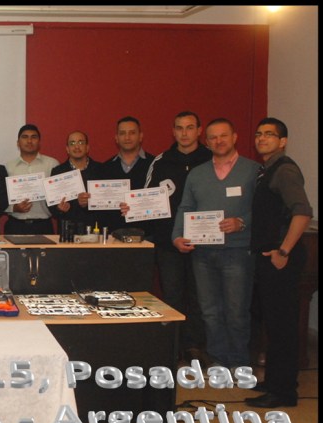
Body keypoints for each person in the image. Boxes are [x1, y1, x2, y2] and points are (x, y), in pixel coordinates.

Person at [172, 118, 260, 371]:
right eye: (213, 137)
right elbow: (186, 207)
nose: (218, 141)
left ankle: (239, 363)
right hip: (203, 253)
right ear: (207, 141)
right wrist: (177, 236)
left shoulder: (253, 170)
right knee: (209, 311)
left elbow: (263, 209)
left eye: (223, 135)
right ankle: (220, 360)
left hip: (238, 251)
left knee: (236, 311)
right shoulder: (197, 174)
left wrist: (241, 222)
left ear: (235, 137)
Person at [245, 118, 312, 408]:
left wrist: (283, 252)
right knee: (273, 323)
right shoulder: (267, 170)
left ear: (283, 141)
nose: (262, 138)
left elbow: (303, 212)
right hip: (268, 258)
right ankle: (274, 381)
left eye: (269, 135)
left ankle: (283, 392)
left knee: (282, 326)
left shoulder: (284, 170)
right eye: (259, 134)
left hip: (281, 258)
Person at [140, 111, 212, 365]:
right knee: (172, 295)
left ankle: (193, 346)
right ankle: (172, 346)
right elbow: (146, 197)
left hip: (204, 241)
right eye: (179, 128)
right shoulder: (161, 161)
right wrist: (133, 208)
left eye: (190, 127)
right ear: (173, 131)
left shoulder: (211, 158)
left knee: (199, 297)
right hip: (168, 242)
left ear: (199, 131)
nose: (184, 133)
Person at [95, 116, 155, 231]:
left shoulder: (155, 165)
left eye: (132, 133)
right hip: (112, 236)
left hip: (147, 236)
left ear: (140, 136)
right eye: (122, 133)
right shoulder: (104, 168)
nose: (127, 137)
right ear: (116, 138)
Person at [4, 124, 58, 235]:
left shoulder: (52, 164)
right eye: (25, 137)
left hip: (43, 226)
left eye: (34, 137)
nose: (29, 141)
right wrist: (13, 208)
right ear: (18, 143)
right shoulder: (8, 167)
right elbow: (0, 198)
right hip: (15, 225)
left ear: (39, 142)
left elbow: (59, 194)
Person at [50, 130, 103, 229]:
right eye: (72, 143)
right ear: (67, 149)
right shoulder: (58, 172)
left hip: (94, 230)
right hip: (67, 231)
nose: (77, 147)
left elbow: (106, 203)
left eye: (81, 142)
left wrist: (88, 204)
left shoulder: (100, 169)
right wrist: (59, 209)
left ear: (87, 147)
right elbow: (52, 209)